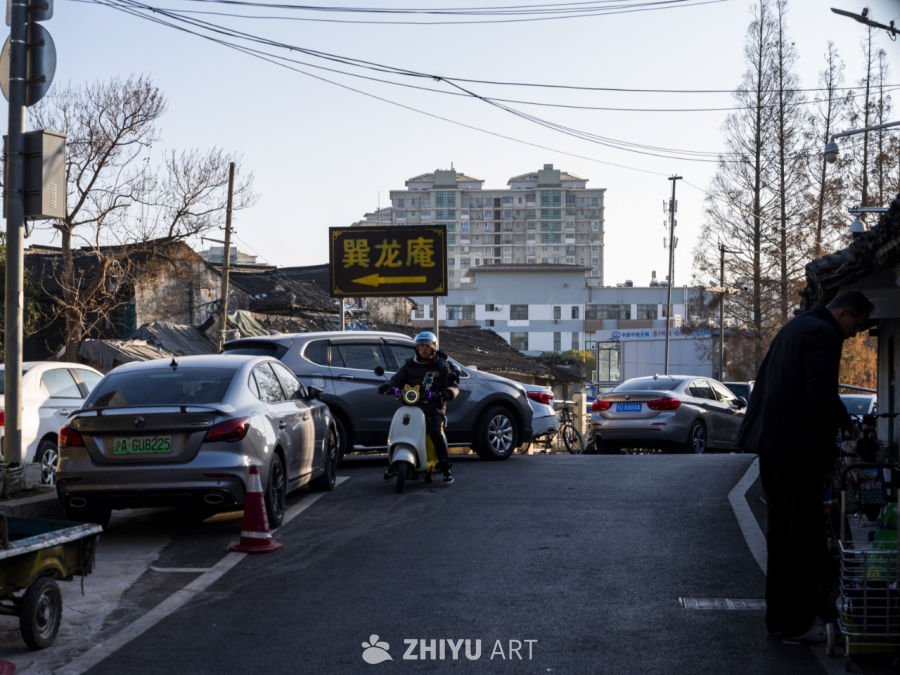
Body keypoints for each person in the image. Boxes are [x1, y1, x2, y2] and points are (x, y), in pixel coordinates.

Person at [738, 290, 874, 645]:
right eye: (856, 327)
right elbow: (820, 394)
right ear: (843, 313)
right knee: (803, 536)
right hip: (796, 448)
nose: (854, 335)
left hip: (773, 445)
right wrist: (845, 425)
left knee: (783, 535)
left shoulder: (796, 327)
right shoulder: (823, 334)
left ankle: (779, 620)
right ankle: (798, 624)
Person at [378, 331, 460, 485]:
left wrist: (447, 393)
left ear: (433, 347)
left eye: (427, 346)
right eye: (420, 346)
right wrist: (388, 387)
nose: (423, 349)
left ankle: (445, 467)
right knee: (397, 428)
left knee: (435, 431)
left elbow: (452, 385)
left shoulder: (441, 366)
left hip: (433, 408)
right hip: (411, 406)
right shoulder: (409, 365)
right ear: (416, 347)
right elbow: (397, 380)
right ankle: (392, 463)